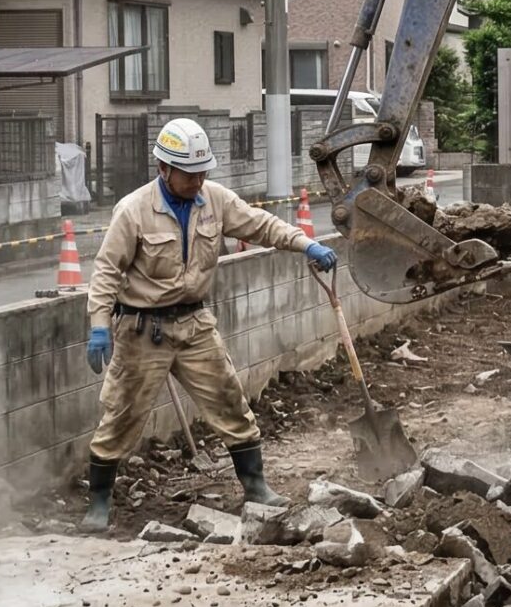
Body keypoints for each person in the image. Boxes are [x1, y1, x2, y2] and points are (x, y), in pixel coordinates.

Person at [80, 117, 336, 530]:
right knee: (121, 415)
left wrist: (305, 242)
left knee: (228, 401)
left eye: (202, 173)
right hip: (144, 331)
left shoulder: (214, 200)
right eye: (189, 174)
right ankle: (99, 503)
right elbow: (107, 271)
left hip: (194, 324)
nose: (197, 181)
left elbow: (261, 224)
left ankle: (256, 486)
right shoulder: (133, 211)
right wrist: (98, 325)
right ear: (164, 168)